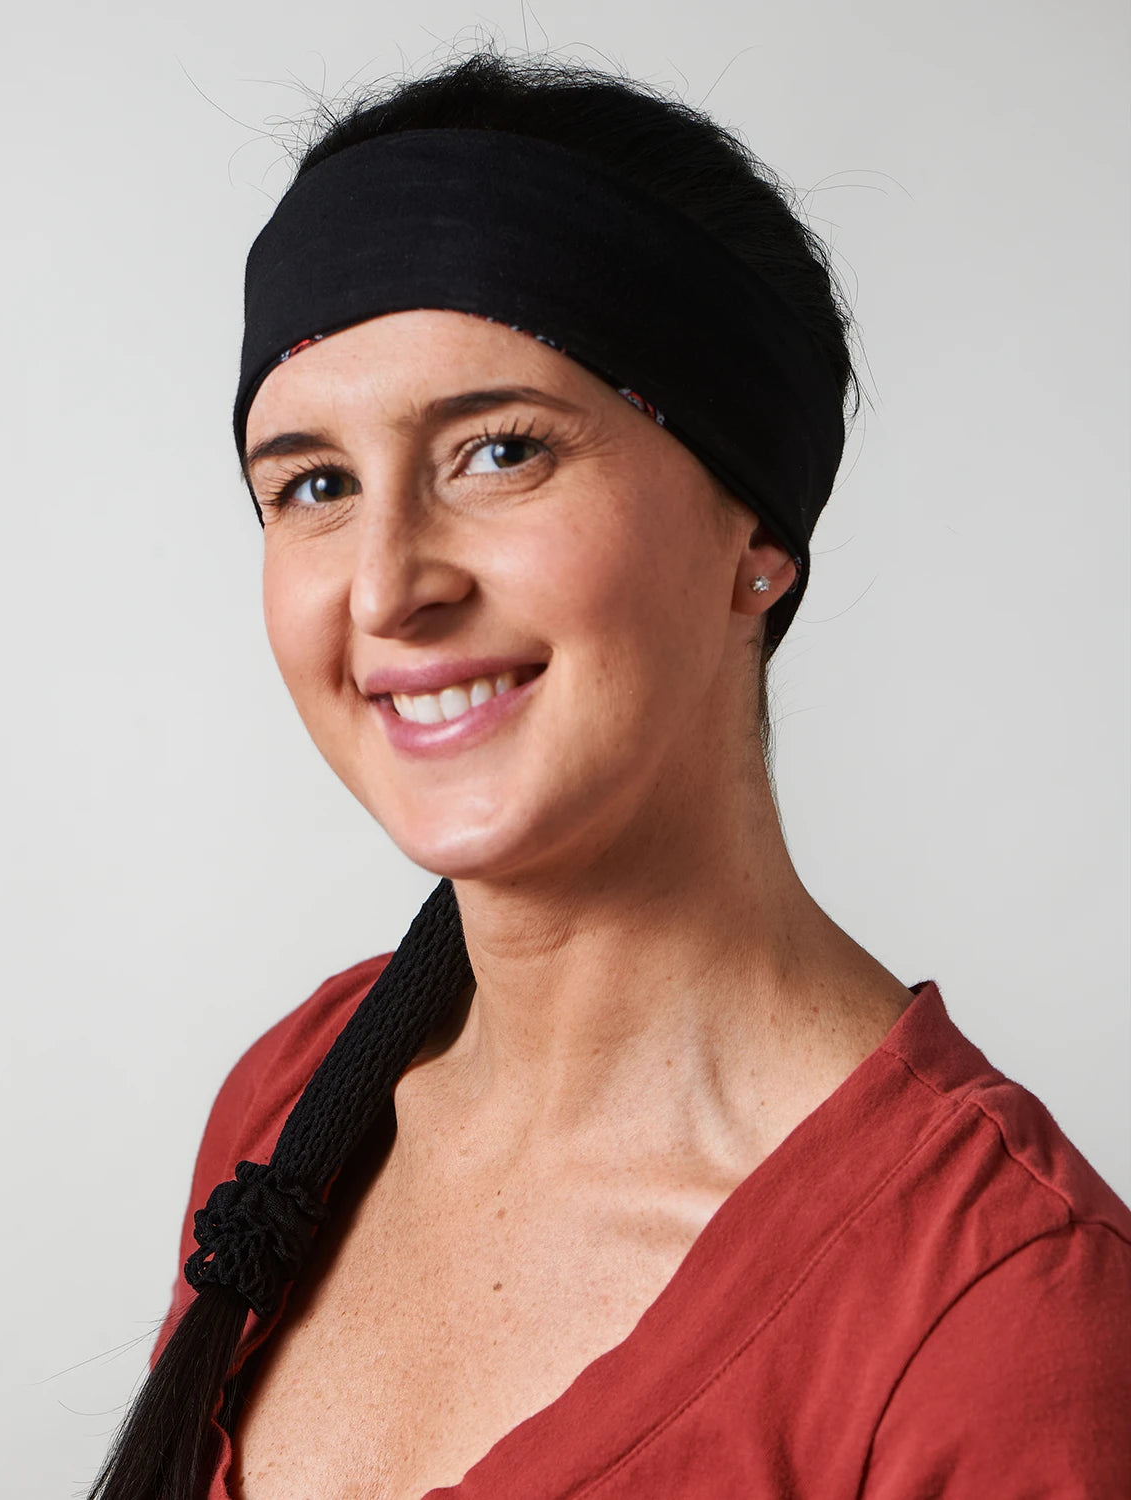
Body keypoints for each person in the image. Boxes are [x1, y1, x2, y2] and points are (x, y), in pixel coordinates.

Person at [88, 46, 1131, 1500]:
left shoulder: (999, 1309)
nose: (387, 586)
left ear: (753, 534)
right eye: (312, 484)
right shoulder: (293, 1104)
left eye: (500, 451)